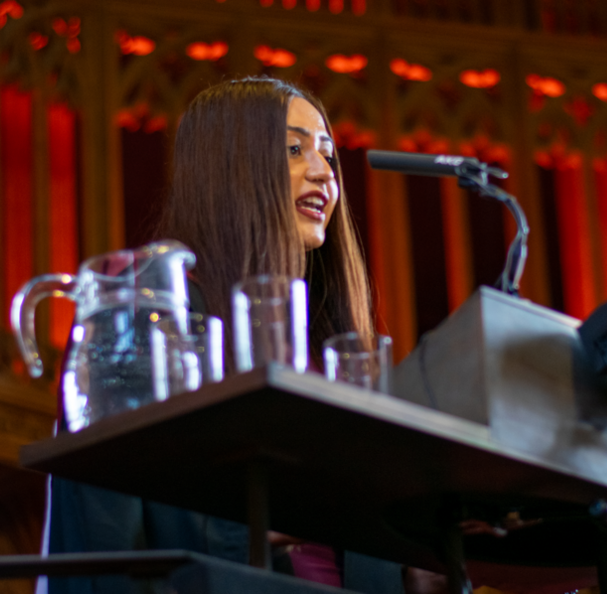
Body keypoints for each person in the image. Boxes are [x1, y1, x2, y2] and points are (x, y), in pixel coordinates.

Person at [43, 76, 433, 594]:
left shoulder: (335, 356)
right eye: (294, 150)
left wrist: (413, 569)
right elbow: (104, 528)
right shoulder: (150, 319)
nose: (323, 173)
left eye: (328, 155)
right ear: (233, 169)